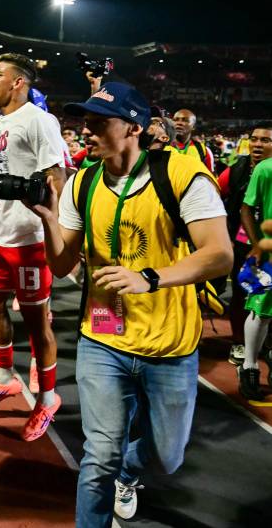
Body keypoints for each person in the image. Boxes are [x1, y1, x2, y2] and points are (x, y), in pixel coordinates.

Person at [31, 82, 231, 526]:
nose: (87, 130)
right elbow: (62, 265)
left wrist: (150, 278)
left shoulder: (180, 174)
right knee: (98, 455)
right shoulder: (83, 181)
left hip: (170, 346)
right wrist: (48, 221)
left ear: (135, 127)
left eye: (99, 122)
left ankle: (131, 470)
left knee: (165, 459)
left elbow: (219, 253)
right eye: (85, 122)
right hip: (102, 337)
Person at [0, 53, 67, 442]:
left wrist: (57, 231)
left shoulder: (39, 119)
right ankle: (5, 378)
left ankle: (46, 399)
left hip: (30, 240)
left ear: (18, 83)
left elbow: (56, 175)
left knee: (35, 322)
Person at [219, 123, 272, 367]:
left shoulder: (265, 171)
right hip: (243, 243)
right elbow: (213, 196)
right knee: (243, 295)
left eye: (265, 140)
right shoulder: (236, 169)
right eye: (254, 139)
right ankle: (239, 342)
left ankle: (263, 345)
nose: (258, 144)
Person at [237, 129, 272, 399]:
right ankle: (249, 365)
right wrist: (256, 244)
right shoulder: (265, 169)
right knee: (260, 310)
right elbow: (246, 208)